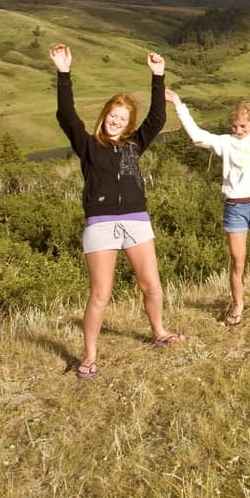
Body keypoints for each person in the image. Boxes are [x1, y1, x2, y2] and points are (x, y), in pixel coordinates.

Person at [50, 43, 184, 379]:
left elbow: (158, 117)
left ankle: (159, 332)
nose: (116, 122)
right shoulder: (89, 146)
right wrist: (63, 73)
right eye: (112, 116)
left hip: (136, 220)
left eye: (123, 119)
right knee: (100, 294)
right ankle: (89, 356)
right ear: (105, 116)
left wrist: (157, 76)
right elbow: (67, 116)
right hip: (100, 224)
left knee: (151, 285)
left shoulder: (134, 144)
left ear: (128, 124)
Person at [165, 73, 250, 325]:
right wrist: (179, 105)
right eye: (235, 126)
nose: (238, 131)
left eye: (243, 127)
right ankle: (237, 308)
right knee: (238, 263)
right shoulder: (226, 143)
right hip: (235, 207)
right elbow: (197, 136)